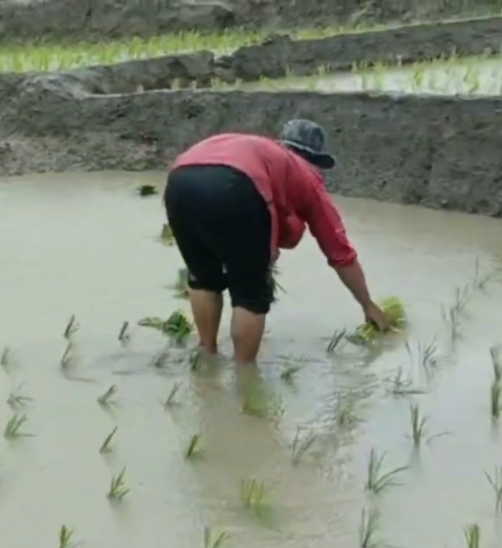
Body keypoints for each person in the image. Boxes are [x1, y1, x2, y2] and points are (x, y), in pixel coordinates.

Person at [163, 119, 388, 365]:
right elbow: (339, 251)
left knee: (204, 278)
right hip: (236, 182)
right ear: (315, 160)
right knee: (251, 294)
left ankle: (206, 357)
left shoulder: (262, 151)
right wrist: (367, 304)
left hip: (179, 180)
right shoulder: (306, 175)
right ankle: (245, 377)